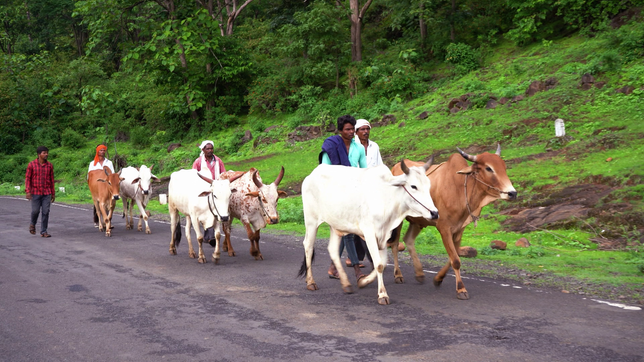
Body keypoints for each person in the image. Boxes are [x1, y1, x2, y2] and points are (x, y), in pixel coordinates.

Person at [319, 115, 367, 282]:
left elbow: (364, 170)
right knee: (346, 232)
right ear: (340, 131)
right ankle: (356, 271)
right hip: (335, 193)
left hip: (353, 193)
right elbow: (324, 171)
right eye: (347, 129)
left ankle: (333, 268)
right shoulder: (331, 146)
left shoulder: (359, 148)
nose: (351, 132)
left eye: (352, 128)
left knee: (342, 231)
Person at [350, 119, 385, 266]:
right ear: (356, 132)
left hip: (373, 187)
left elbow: (379, 165)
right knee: (357, 222)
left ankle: (366, 256)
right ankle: (357, 256)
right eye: (362, 129)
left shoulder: (374, 146)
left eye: (367, 129)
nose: (365, 132)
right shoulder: (353, 147)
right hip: (356, 187)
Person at [25, 146, 55, 238]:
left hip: (46, 192)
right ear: (39, 154)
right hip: (35, 192)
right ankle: (32, 224)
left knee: (46, 212)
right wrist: (28, 191)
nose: (46, 154)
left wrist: (53, 193)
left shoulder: (49, 165)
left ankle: (44, 231)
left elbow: (51, 180)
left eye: (47, 153)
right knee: (35, 211)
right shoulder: (31, 165)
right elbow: (28, 178)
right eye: (44, 153)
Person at [88, 144, 114, 228]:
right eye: (100, 150)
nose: (102, 152)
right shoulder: (92, 163)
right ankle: (97, 221)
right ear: (97, 151)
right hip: (97, 185)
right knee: (97, 202)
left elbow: (112, 174)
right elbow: (90, 175)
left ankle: (108, 221)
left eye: (104, 150)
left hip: (107, 185)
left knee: (108, 203)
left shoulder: (109, 163)